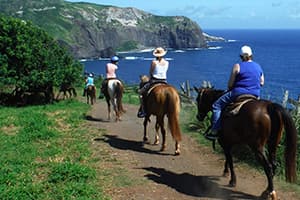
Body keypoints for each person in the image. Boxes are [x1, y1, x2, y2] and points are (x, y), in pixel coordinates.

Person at [205, 45, 264, 140]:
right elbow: (262, 83)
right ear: (251, 55)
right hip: (255, 95)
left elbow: (230, 84)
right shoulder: (258, 66)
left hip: (238, 93)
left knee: (216, 106)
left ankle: (215, 131)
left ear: (241, 56)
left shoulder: (237, 66)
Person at [137, 47, 169, 118]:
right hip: (164, 81)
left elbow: (151, 72)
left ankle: (143, 110)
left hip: (154, 80)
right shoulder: (167, 62)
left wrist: (150, 78)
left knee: (141, 93)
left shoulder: (154, 62)